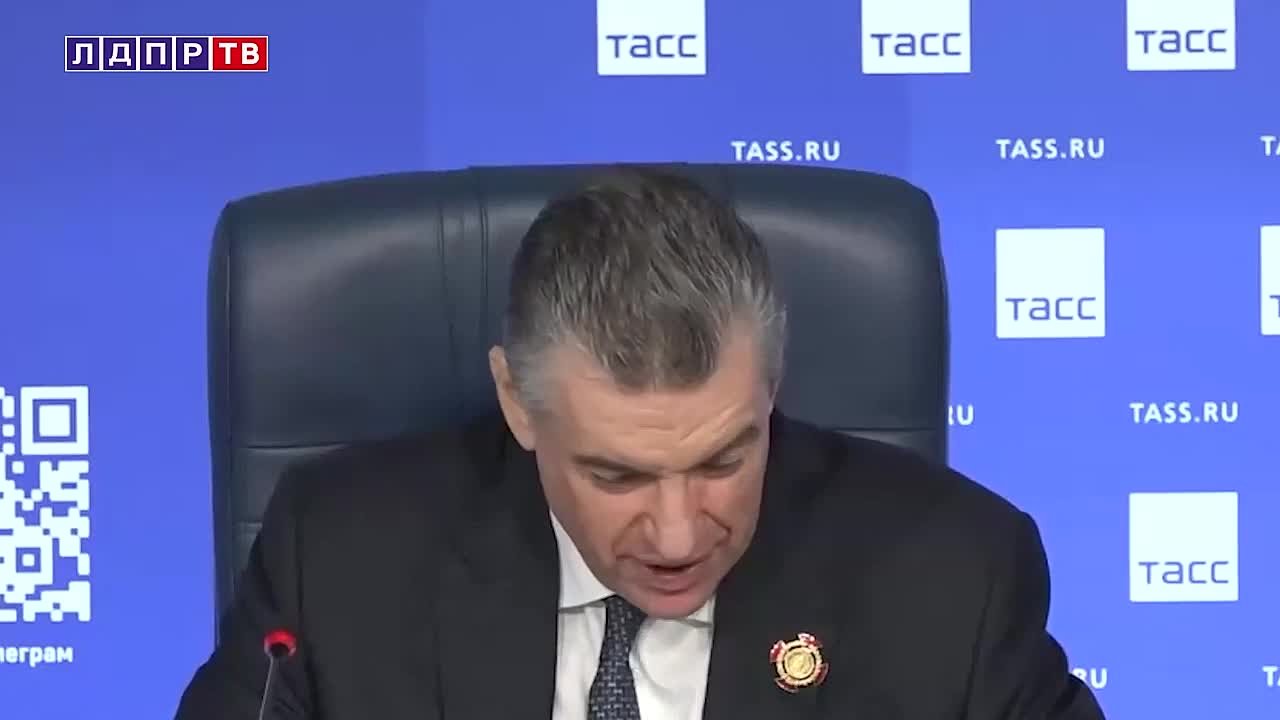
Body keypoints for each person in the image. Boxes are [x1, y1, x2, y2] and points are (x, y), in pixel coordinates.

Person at [174, 167, 1105, 720]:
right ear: (518, 403)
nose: (676, 534)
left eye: (723, 461)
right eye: (616, 474)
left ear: (771, 389)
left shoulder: (953, 576)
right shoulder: (340, 557)